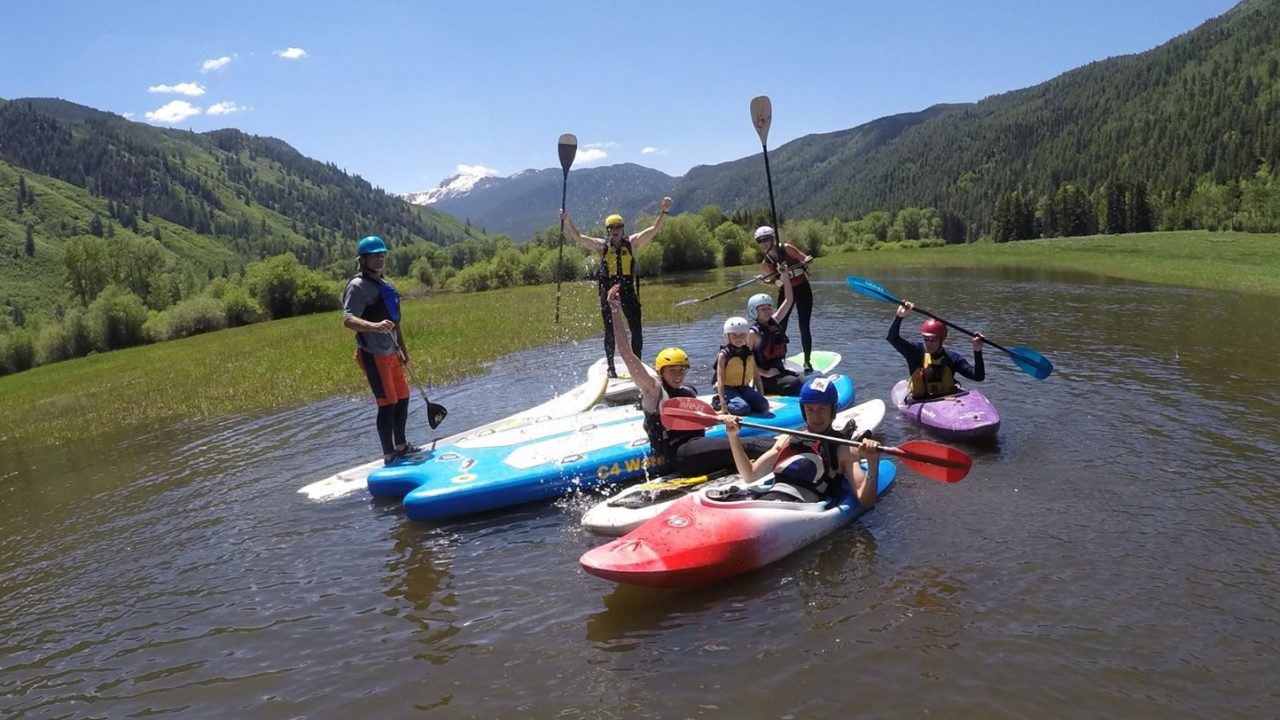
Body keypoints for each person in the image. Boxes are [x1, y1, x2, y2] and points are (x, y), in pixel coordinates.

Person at [605, 284, 773, 477]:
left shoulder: (688, 391)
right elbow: (627, 354)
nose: (678, 375)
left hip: (696, 449)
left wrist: (721, 416)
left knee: (748, 447)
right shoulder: (654, 390)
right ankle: (792, 447)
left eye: (681, 370)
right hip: (681, 454)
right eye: (672, 371)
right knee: (751, 444)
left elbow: (701, 417)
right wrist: (615, 311)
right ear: (661, 371)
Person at [724, 375, 881, 509]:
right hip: (772, 501)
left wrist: (873, 463)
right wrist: (733, 437)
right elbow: (749, 475)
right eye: (810, 409)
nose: (816, 417)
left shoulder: (844, 449)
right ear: (803, 411)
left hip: (801, 510)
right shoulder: (789, 438)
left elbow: (866, 501)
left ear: (832, 410)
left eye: (822, 409)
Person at [562, 196, 673, 378]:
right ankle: (611, 367)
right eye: (612, 228)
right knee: (610, 330)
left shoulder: (633, 243)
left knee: (636, 329)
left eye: (618, 228)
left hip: (628, 289)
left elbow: (654, 229)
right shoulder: (601, 246)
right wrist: (567, 221)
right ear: (608, 231)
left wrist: (664, 211)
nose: (615, 231)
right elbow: (579, 238)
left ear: (623, 229)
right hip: (609, 292)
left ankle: (636, 364)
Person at [342, 235, 419, 465]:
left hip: (392, 352)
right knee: (387, 403)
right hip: (373, 354)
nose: (379, 259)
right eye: (374, 256)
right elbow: (347, 319)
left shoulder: (386, 285)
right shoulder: (357, 287)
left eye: (381, 255)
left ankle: (401, 446)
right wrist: (374, 326)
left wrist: (403, 350)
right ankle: (389, 455)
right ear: (363, 260)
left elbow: (396, 322)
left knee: (403, 398)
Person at [886, 300, 986, 401]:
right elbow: (892, 338)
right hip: (919, 401)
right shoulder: (914, 351)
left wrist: (977, 351)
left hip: (947, 401)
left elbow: (978, 377)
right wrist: (899, 316)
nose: (929, 343)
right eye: (926, 339)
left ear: (942, 339)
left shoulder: (952, 358)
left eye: (933, 340)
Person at [753, 226, 815, 371]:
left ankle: (807, 361)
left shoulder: (786, 248)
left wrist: (807, 259)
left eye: (766, 240)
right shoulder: (766, 262)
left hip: (802, 289)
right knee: (779, 327)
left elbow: (804, 258)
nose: (763, 244)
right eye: (760, 241)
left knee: (803, 326)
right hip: (786, 291)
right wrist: (763, 282)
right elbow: (775, 282)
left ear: (773, 239)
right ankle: (779, 360)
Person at [747, 268, 802, 396]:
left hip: (779, 371)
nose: (767, 311)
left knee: (803, 381)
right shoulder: (752, 333)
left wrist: (784, 276)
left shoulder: (775, 321)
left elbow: (789, 299)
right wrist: (764, 373)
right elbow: (745, 360)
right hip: (763, 377)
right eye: (762, 309)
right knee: (794, 384)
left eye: (768, 308)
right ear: (754, 312)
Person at [712, 316, 769, 416]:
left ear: (746, 336)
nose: (738, 339)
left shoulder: (749, 353)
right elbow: (720, 380)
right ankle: (717, 401)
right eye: (734, 336)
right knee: (743, 409)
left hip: (745, 388)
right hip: (728, 389)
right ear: (727, 337)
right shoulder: (724, 355)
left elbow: (756, 376)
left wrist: (761, 396)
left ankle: (743, 400)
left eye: (742, 335)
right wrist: (723, 405)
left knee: (763, 405)